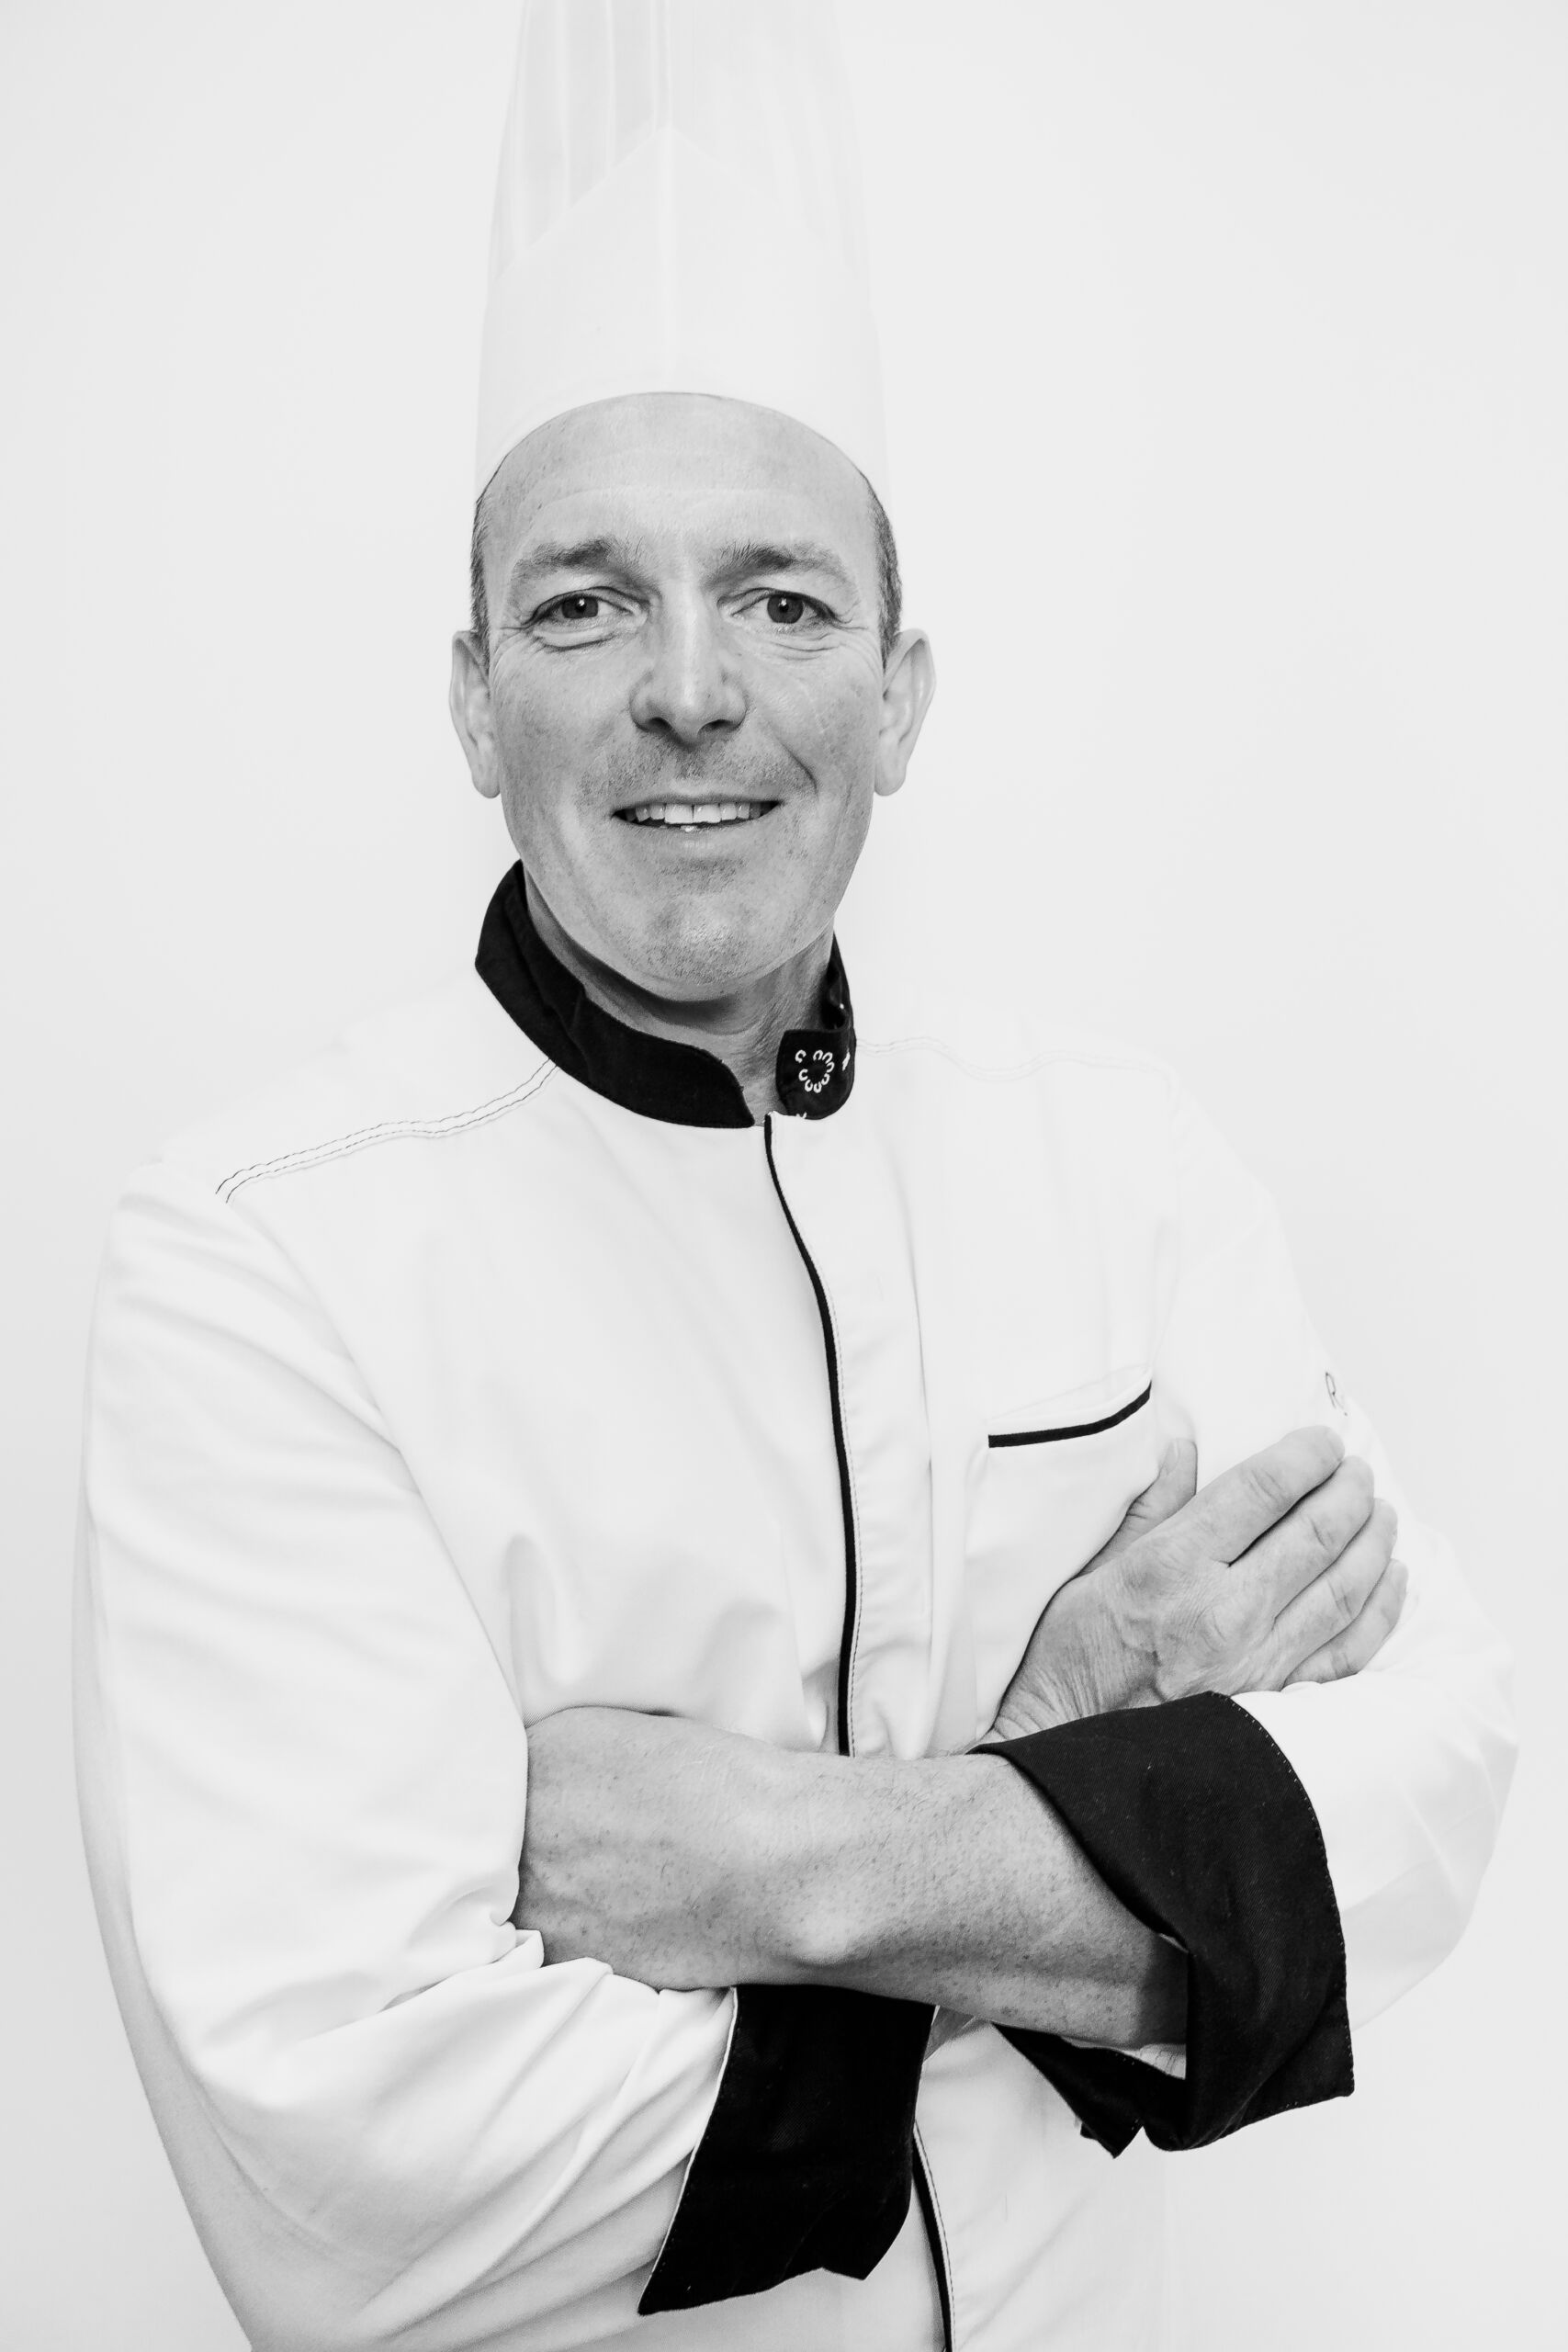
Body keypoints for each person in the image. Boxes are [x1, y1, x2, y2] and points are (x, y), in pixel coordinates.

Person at [73, 6, 1515, 2348]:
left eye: (779, 594)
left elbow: (1418, 1796)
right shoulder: (261, 1257)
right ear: (471, 698)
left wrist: (777, 1861)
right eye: (584, 600)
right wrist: (1100, 1805)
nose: (689, 686)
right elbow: (352, 2179)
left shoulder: (1119, 1158)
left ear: (897, 692)